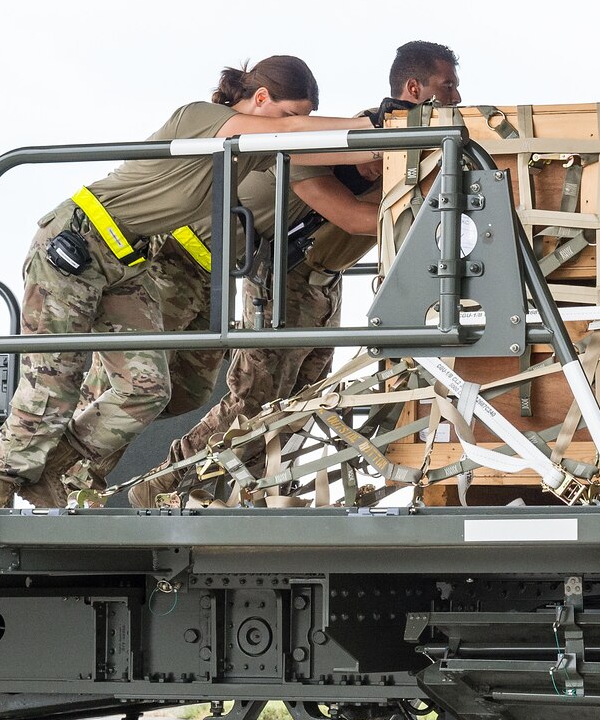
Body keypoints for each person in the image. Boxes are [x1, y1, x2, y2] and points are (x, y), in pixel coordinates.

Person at [0, 58, 382, 509]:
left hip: (131, 261)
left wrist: (385, 141)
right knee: (53, 379)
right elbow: (295, 138)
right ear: (262, 98)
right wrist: (371, 122)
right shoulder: (201, 118)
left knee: (154, 389)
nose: (295, 125)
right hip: (78, 242)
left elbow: (319, 150)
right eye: (290, 114)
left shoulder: (260, 147)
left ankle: (58, 467)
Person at [127, 42, 463, 508]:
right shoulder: (305, 154)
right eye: (448, 86)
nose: (374, 168)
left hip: (323, 285)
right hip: (280, 281)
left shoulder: (402, 156)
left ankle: (260, 495)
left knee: (302, 403)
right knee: (253, 403)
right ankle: (165, 483)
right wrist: (448, 211)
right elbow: (354, 218)